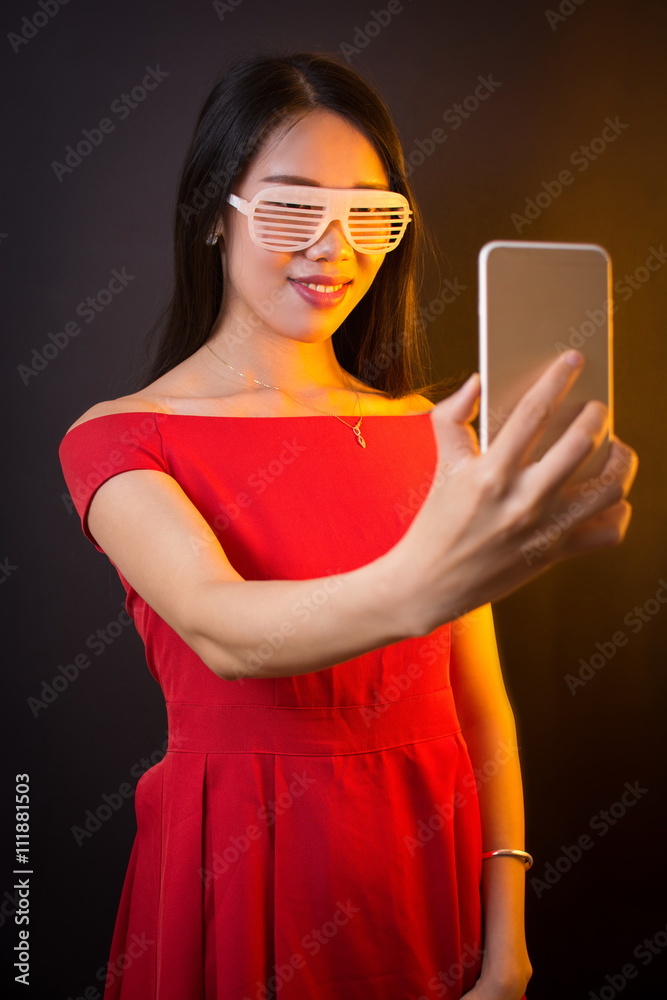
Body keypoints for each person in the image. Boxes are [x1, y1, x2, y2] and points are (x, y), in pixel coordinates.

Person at [57, 52, 637, 1000]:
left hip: (425, 882)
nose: (336, 248)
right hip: (235, 874)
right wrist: (433, 579)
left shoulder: (429, 431)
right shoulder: (119, 438)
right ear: (212, 212)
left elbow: (479, 710)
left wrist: (509, 938)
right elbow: (224, 630)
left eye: (370, 215)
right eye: (291, 207)